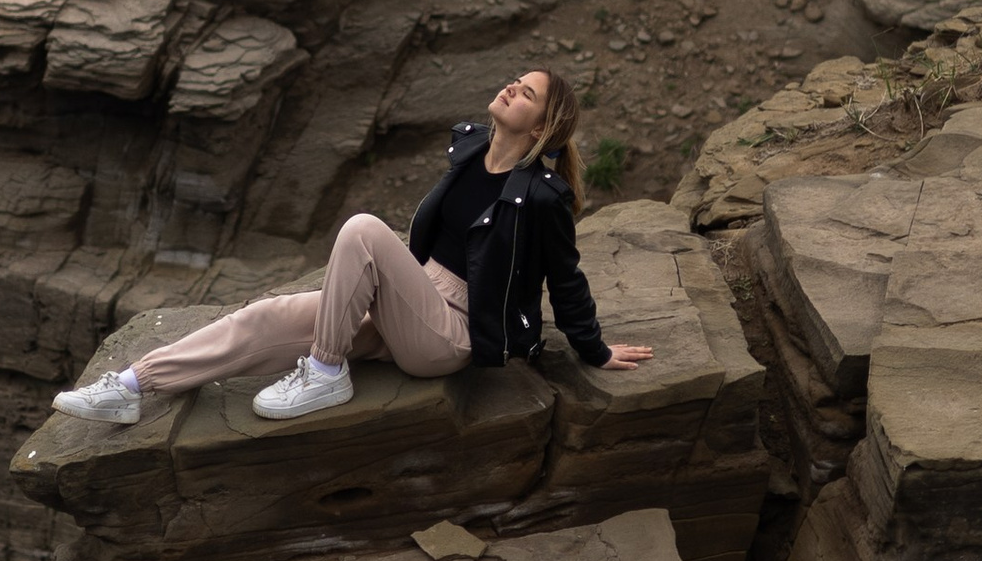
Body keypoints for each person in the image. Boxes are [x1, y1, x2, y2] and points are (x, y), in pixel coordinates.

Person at [49, 63, 654, 428]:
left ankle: (324, 371)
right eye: (515, 80)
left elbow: (566, 277)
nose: (511, 87)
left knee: (364, 229)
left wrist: (594, 350)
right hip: (408, 303)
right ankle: (131, 388)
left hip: (452, 332)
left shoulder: (542, 197)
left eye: (526, 92)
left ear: (543, 127)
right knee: (265, 317)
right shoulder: (471, 149)